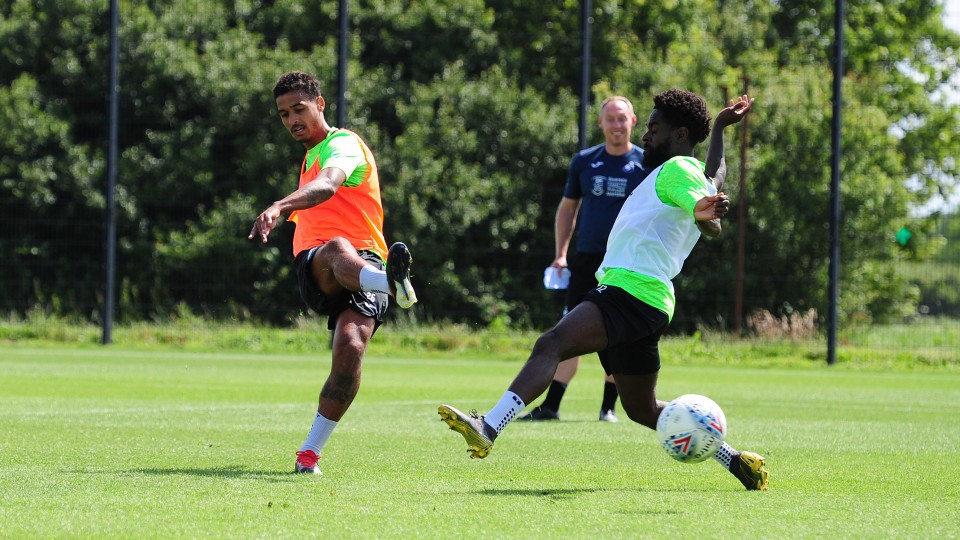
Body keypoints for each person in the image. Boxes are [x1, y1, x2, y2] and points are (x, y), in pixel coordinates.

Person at [439, 90, 769, 491]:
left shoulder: (677, 169)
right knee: (643, 409)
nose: (645, 137)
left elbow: (702, 200)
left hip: (628, 291)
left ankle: (488, 426)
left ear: (679, 134)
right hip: (651, 300)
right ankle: (734, 460)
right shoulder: (691, 168)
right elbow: (714, 178)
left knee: (550, 345)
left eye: (653, 129)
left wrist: (705, 212)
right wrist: (719, 128)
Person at [249, 71, 417, 476]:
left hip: (367, 259)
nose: (292, 120)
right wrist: (284, 211)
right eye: (284, 113)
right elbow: (316, 199)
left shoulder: (343, 144)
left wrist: (276, 206)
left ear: (320, 104)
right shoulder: (310, 156)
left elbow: (327, 187)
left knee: (351, 347)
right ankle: (392, 285)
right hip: (319, 266)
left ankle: (309, 454)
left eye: (299, 109)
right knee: (337, 247)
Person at [522, 96, 647, 423]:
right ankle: (550, 407)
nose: (617, 125)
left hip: (627, 264)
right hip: (586, 260)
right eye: (610, 119)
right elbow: (567, 209)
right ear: (601, 123)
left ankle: (608, 409)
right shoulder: (584, 162)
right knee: (567, 330)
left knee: (618, 335)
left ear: (633, 121)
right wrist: (560, 254)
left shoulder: (648, 165)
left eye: (622, 118)